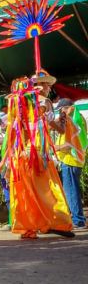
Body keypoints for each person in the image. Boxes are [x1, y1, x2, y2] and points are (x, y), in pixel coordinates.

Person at [0, 77, 73, 239]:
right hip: (28, 156)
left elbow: (59, 129)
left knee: (41, 191)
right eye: (44, 84)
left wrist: (63, 119)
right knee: (37, 191)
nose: (47, 88)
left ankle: (46, 223)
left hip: (38, 156)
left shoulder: (39, 110)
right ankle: (37, 225)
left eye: (48, 85)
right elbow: (14, 136)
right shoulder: (25, 108)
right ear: (36, 87)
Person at [54, 98, 87, 229]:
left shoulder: (71, 121)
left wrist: (55, 147)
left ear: (66, 108)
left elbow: (67, 146)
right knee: (73, 190)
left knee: (71, 191)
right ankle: (78, 218)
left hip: (70, 160)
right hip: (76, 160)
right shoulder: (79, 119)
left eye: (61, 110)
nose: (60, 114)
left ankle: (78, 220)